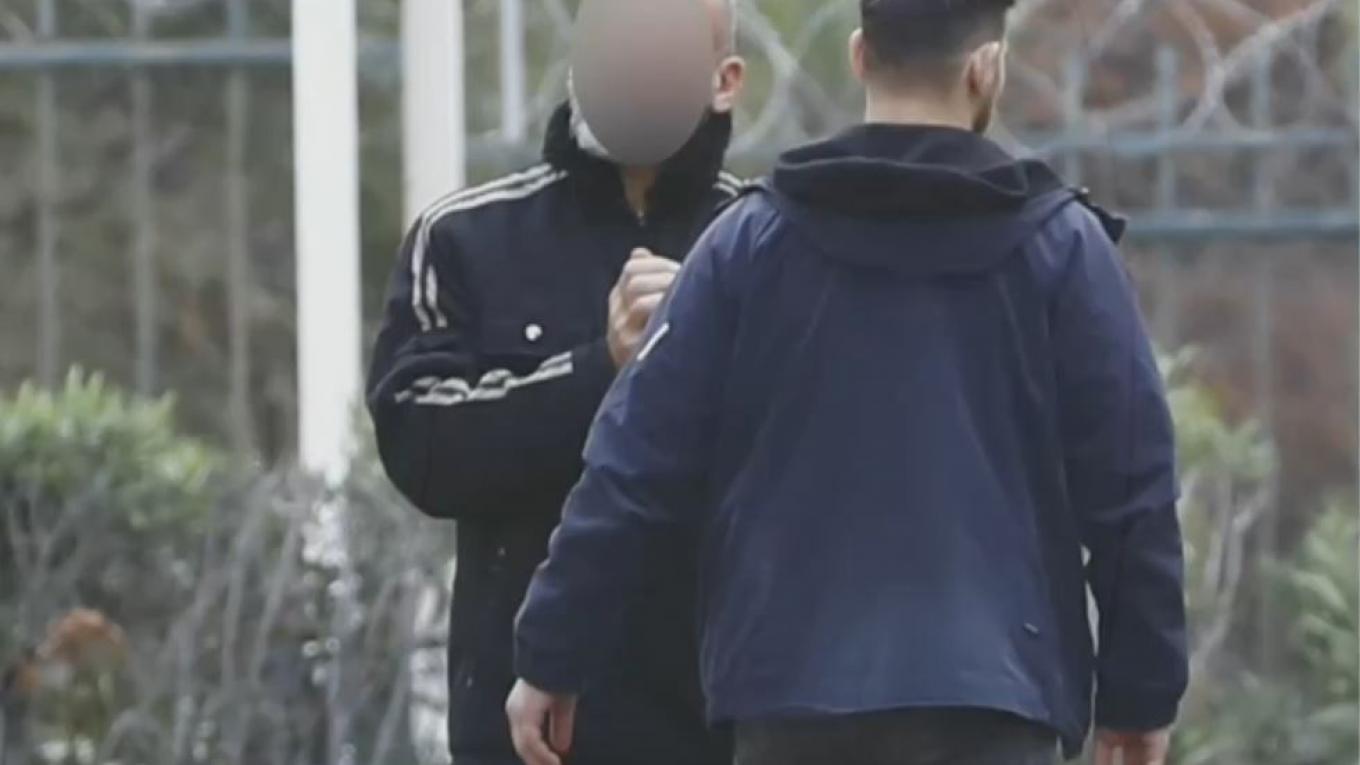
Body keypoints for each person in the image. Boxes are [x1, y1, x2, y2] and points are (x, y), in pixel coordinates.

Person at [507, 1, 1189, 764]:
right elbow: (1133, 493)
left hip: (791, 700)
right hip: (992, 703)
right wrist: (1140, 696)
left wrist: (552, 653)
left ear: (860, 55)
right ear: (985, 68)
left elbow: (633, 463)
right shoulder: (1064, 250)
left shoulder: (749, 244)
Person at [365, 1, 746, 763]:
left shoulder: (757, 241)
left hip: (717, 719)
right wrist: (599, 366)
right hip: (526, 729)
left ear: (723, 81)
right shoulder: (468, 236)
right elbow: (420, 445)